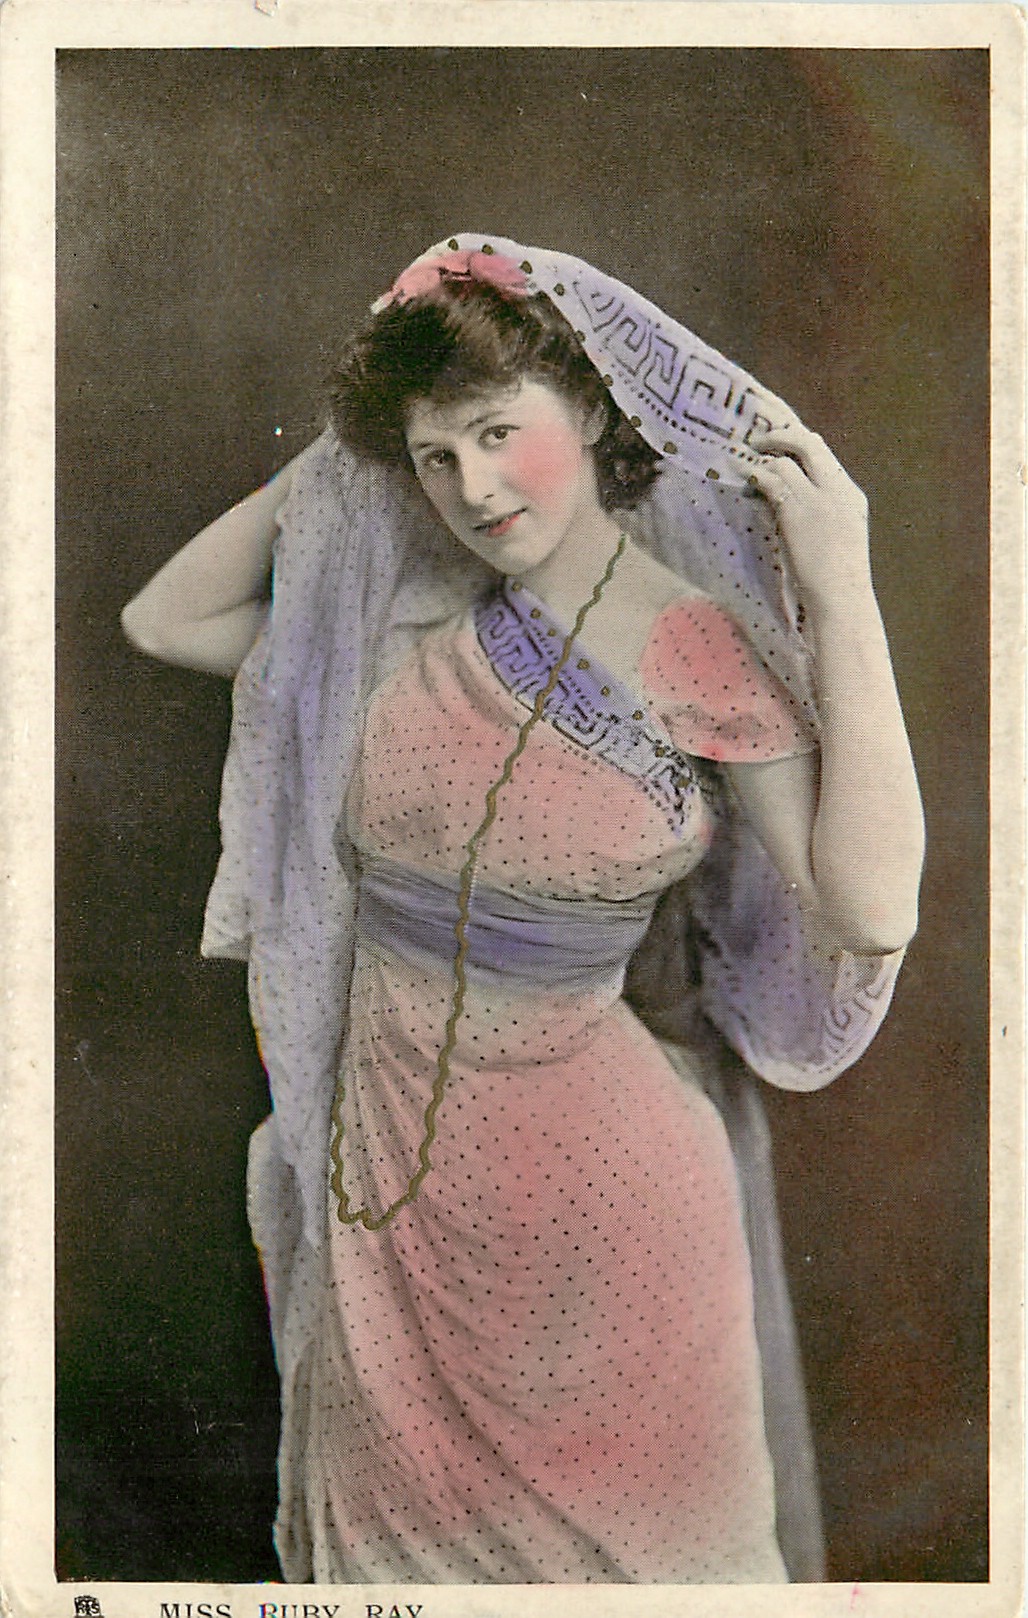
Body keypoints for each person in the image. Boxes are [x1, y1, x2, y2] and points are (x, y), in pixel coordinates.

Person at [122, 234, 924, 1584]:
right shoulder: (410, 630)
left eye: (499, 432)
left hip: (608, 1222)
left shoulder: (697, 649)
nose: (473, 487)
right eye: (434, 458)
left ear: (596, 409)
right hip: (392, 1204)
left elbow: (872, 907)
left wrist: (841, 585)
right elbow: (166, 617)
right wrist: (349, 456)